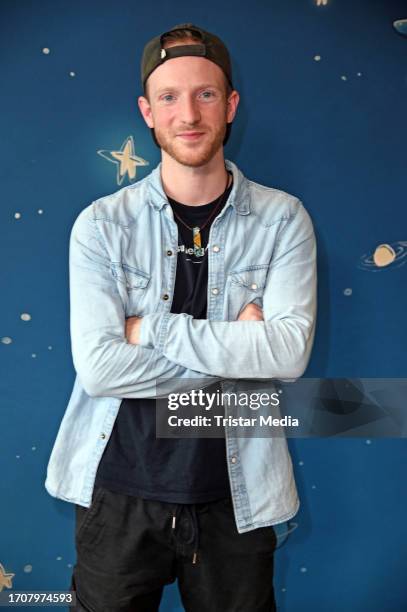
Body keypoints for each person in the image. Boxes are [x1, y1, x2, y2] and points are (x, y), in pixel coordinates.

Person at [45, 23, 317, 612]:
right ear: (147, 111)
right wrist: (239, 350)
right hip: (117, 495)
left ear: (231, 105)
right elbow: (99, 369)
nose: (188, 113)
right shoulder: (100, 226)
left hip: (237, 498)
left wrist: (151, 331)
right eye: (169, 97)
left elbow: (289, 354)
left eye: (206, 94)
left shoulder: (283, 221)